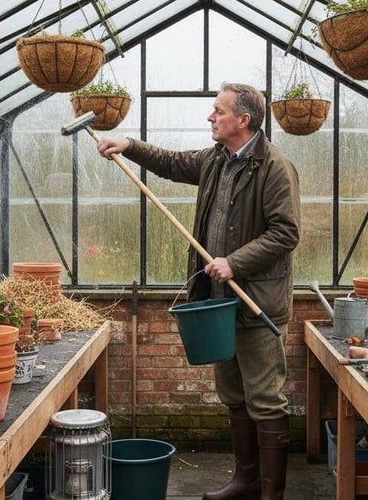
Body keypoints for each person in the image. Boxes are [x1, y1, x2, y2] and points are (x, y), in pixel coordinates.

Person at [97, 82, 301, 500]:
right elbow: (172, 162)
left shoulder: (274, 167)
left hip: (256, 301)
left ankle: (271, 494)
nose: (211, 117)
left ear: (242, 120)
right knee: (232, 393)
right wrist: (129, 144)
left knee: (265, 398)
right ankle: (245, 481)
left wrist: (234, 262)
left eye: (218, 111)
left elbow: (286, 232)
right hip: (218, 302)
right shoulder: (216, 160)